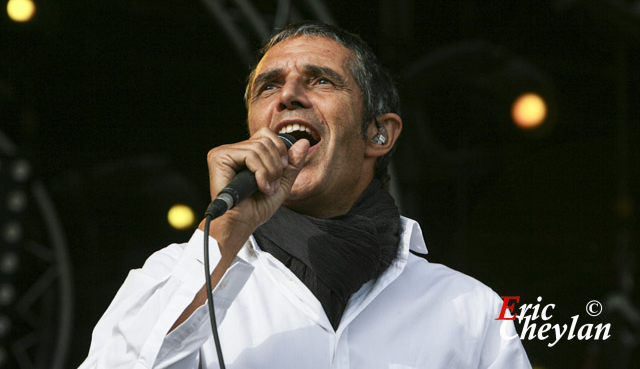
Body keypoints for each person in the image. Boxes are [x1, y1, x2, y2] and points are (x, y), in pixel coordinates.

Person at [80, 21, 531, 368]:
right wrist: (225, 235)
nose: (289, 95)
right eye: (269, 86)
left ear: (378, 134)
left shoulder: (470, 309)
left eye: (320, 81)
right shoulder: (171, 276)